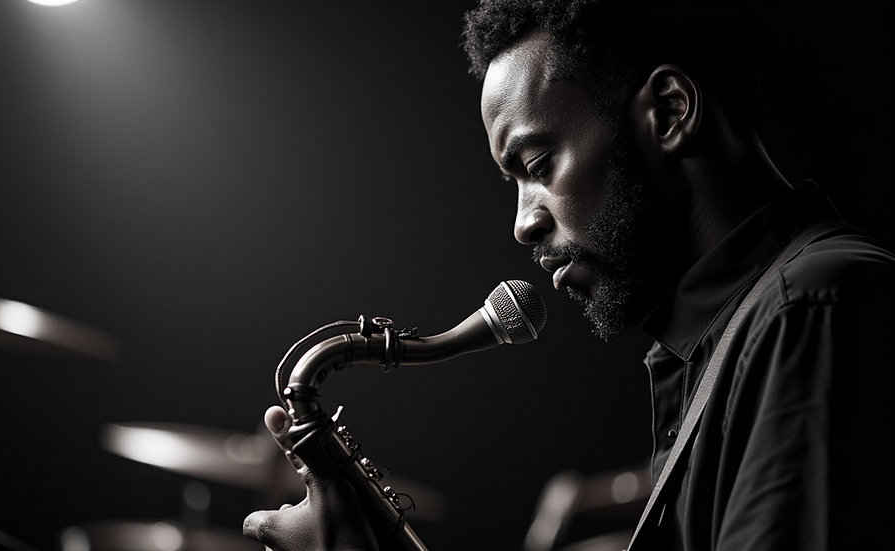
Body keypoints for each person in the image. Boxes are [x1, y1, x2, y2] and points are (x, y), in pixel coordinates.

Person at [243, 0, 895, 549]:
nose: (523, 224)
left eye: (536, 164)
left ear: (668, 112)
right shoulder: (734, 336)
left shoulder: (811, 311)